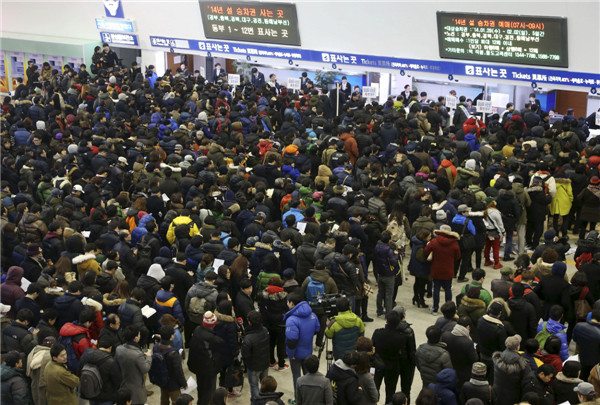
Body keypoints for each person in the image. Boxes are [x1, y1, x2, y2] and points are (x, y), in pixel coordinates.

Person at [372, 310, 416, 404]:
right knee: (390, 392)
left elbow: (373, 347)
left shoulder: (377, 333)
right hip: (392, 367)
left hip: (378, 365)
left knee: (375, 388)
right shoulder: (401, 338)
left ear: (386, 321)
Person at [284, 293, 320, 401]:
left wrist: (291, 354)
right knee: (309, 376)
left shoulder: (291, 319)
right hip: (308, 351)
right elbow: (317, 329)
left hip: (296, 354)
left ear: (291, 303)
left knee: (297, 377)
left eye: (287, 301)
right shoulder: (313, 315)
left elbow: (292, 340)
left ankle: (299, 400)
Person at [188, 311, 224, 405]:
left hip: (198, 366)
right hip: (209, 369)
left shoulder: (197, 330)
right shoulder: (212, 339)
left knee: (201, 388)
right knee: (210, 391)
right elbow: (221, 344)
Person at [424, 225, 461, 315]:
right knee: (448, 289)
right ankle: (449, 310)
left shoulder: (434, 241)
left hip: (436, 269)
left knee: (436, 288)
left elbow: (426, 251)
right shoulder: (454, 243)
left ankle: (435, 309)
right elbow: (458, 256)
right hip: (448, 270)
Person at [114, 326, 153, 405]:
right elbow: (145, 368)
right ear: (135, 338)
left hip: (124, 383)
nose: (140, 336)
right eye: (139, 335)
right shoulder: (137, 355)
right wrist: (149, 356)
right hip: (137, 386)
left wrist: (144, 351)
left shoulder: (119, 349)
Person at [78, 335, 122, 405]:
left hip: (91, 392)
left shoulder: (85, 356)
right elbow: (118, 381)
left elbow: (79, 372)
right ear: (110, 348)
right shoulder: (111, 361)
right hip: (106, 397)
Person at [492, 335, 532, 405]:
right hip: (513, 396)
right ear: (517, 347)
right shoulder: (523, 364)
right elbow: (527, 380)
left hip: (497, 393)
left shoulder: (497, 358)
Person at [151, 325, 187, 405]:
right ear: (171, 336)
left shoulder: (156, 347)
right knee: (176, 401)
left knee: (164, 400)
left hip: (162, 380)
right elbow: (178, 371)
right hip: (173, 384)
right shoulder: (173, 353)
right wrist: (184, 383)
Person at [241, 310, 270, 405]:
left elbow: (245, 354)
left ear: (249, 322)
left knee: (254, 386)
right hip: (265, 363)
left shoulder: (248, 338)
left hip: (253, 366)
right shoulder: (265, 330)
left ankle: (256, 402)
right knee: (265, 385)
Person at [441, 316, 478, 390]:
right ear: (467, 327)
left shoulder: (445, 335)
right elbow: (475, 359)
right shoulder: (468, 342)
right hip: (463, 373)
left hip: (448, 369)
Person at [373, 232, 400, 315]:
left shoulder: (376, 247)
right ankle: (388, 314)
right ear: (389, 240)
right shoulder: (389, 250)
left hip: (380, 272)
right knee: (389, 295)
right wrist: (396, 255)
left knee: (380, 293)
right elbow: (394, 262)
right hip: (389, 274)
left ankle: (379, 310)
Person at [573, 309, 600, 381]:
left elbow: (575, 339)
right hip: (595, 363)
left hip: (582, 357)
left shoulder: (579, 326)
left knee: (582, 376)